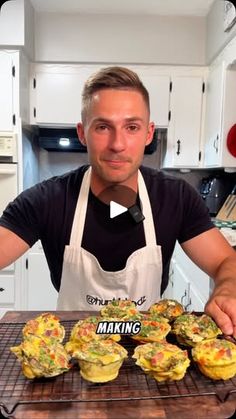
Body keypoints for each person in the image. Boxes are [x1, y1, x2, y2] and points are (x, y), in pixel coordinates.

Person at [0, 66, 236, 335]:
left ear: (148, 134)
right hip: (72, 357)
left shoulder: (176, 198)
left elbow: (226, 262)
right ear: (82, 133)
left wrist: (227, 289)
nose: (117, 144)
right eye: (102, 127)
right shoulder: (45, 200)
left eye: (131, 127)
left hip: (149, 355)